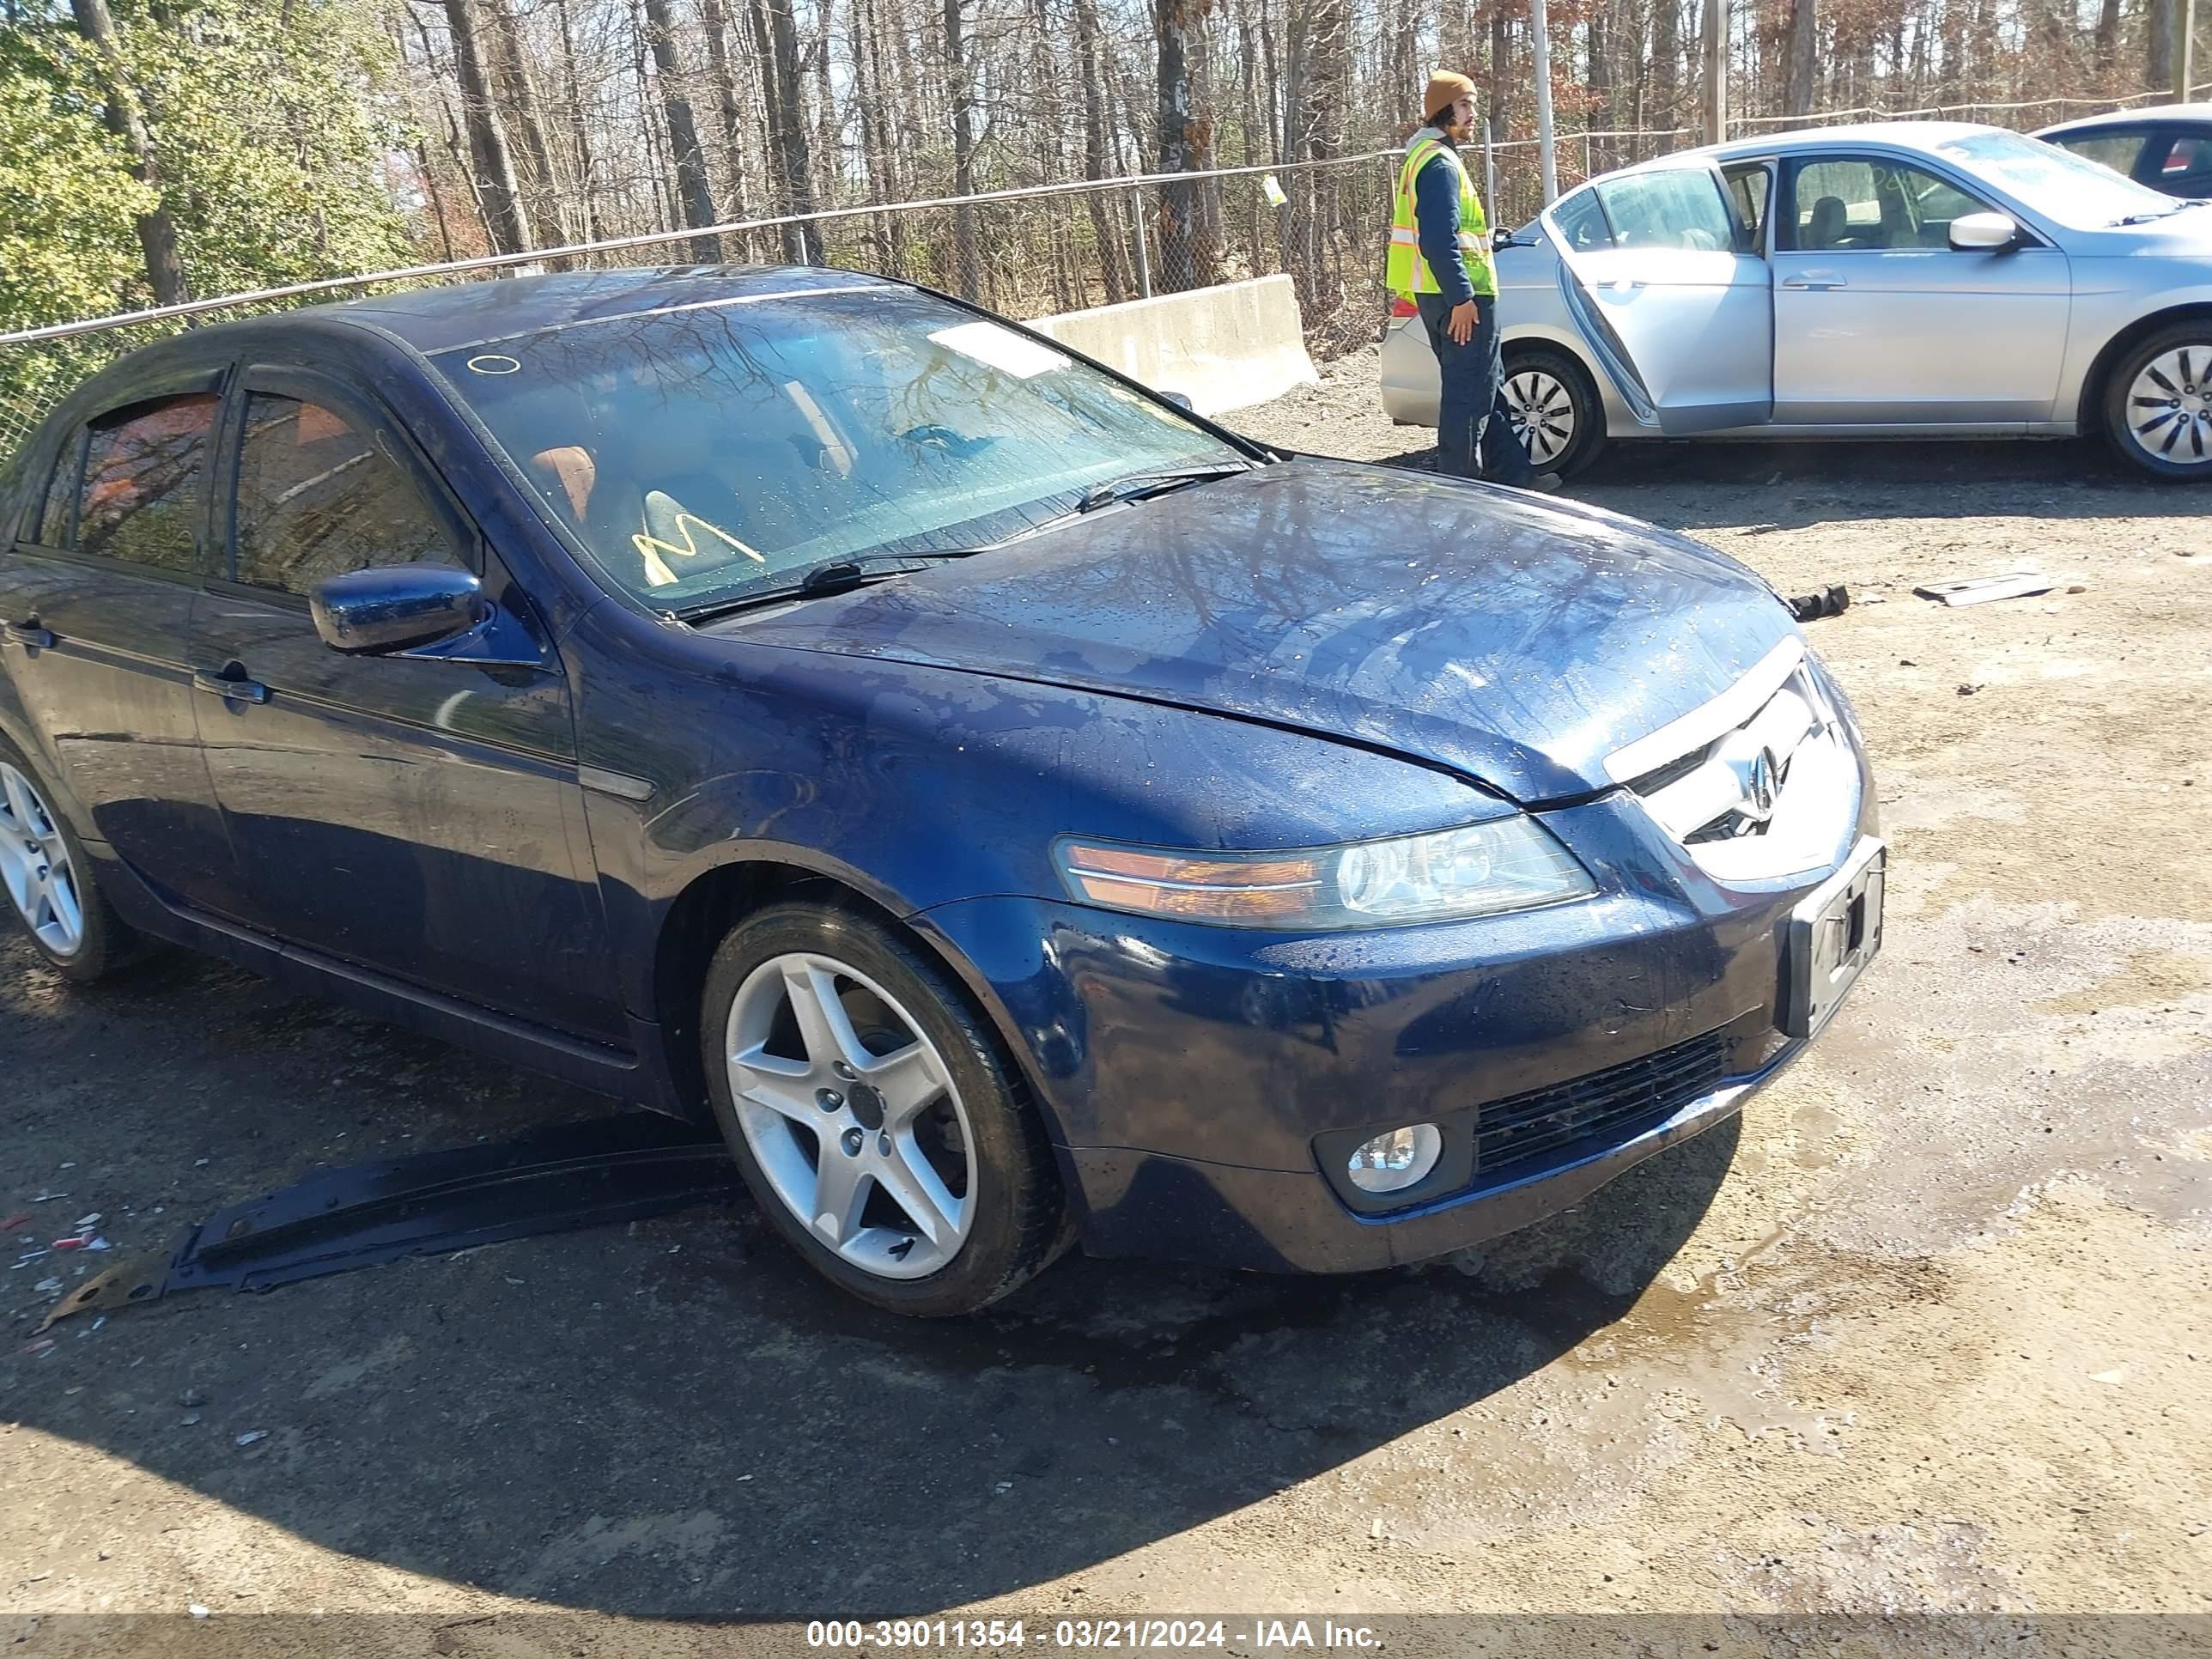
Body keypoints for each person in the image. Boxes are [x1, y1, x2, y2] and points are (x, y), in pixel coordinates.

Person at [1388, 70, 1559, 491]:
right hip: (1461, 298)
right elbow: (1438, 238)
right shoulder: (1439, 163)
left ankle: (1515, 476)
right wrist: (1462, 297)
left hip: (1445, 292)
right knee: (1467, 396)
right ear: (1443, 109)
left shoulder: (1428, 157)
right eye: (1465, 105)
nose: (1471, 114)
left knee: (1487, 386)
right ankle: (1457, 490)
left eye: (1472, 105)